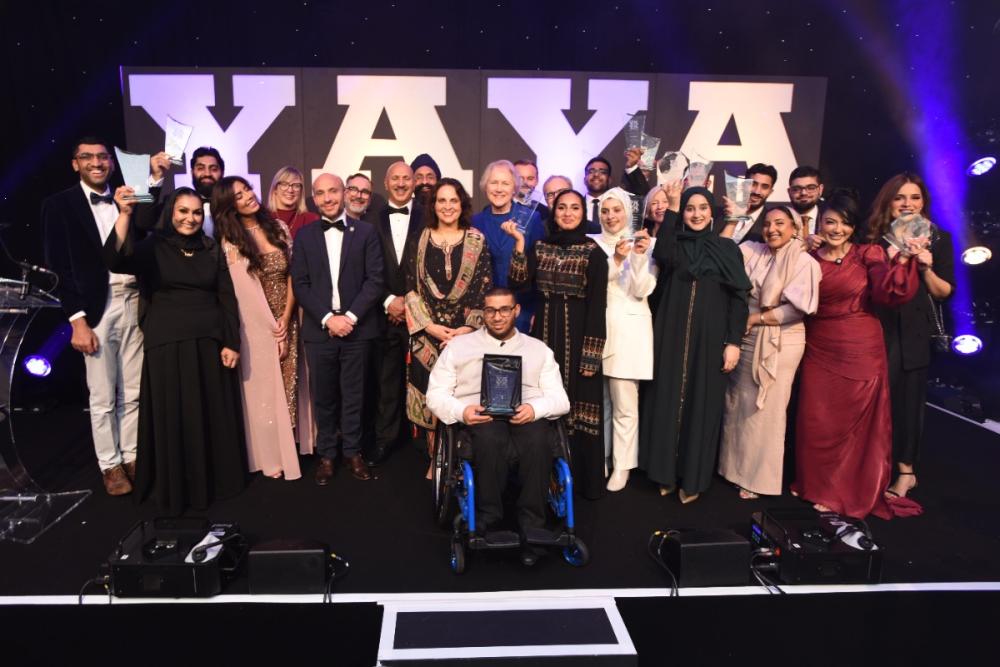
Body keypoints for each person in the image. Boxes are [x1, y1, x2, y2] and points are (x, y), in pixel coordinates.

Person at [103, 186, 246, 514]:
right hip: (166, 343)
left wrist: (231, 342)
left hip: (209, 343)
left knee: (210, 414)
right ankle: (179, 487)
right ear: (171, 213)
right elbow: (115, 259)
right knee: (175, 415)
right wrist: (125, 214)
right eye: (183, 211)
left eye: (196, 212)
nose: (190, 218)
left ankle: (213, 483)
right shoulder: (155, 246)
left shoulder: (211, 249)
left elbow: (226, 297)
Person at [42, 137, 170, 496]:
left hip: (135, 300)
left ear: (111, 164)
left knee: (134, 390)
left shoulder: (126, 194)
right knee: (101, 395)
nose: (96, 163)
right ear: (75, 163)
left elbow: (145, 224)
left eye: (102, 157)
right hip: (95, 309)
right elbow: (59, 269)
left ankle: (132, 456)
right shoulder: (59, 205)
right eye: (87, 157)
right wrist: (76, 319)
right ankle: (109, 465)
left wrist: (155, 180)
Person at [791, 190, 920, 519]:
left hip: (861, 347)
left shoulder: (869, 254)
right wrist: (797, 254)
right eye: (830, 222)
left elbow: (886, 292)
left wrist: (903, 260)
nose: (836, 229)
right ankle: (815, 484)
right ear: (820, 223)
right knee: (817, 420)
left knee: (853, 426)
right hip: (819, 345)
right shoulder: (809, 257)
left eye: (844, 223)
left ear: (853, 227)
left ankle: (841, 492)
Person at [426, 288, 570, 565]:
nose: (497, 316)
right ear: (483, 313)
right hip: (480, 418)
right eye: (490, 310)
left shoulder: (538, 349)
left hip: (526, 416)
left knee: (539, 440)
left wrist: (535, 409)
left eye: (504, 309)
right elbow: (436, 394)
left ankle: (533, 527)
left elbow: (560, 399)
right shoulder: (459, 347)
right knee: (490, 439)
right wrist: (462, 411)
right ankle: (487, 520)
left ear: (516, 311)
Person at [638, 187, 751, 503]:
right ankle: (664, 473)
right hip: (670, 337)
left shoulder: (727, 249)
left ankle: (692, 478)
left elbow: (739, 299)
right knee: (666, 401)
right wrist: (672, 207)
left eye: (703, 208)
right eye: (690, 208)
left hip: (710, 340)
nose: (697, 214)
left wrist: (733, 342)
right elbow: (663, 255)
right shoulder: (675, 247)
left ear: (712, 213)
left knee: (702, 406)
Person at [504, 189, 608, 499]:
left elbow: (597, 306)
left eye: (574, 208)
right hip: (544, 337)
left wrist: (590, 357)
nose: (567, 213)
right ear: (554, 211)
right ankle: (540, 480)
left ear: (583, 213)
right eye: (561, 207)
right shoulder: (539, 246)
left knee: (579, 406)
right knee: (542, 401)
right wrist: (520, 246)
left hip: (579, 337)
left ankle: (580, 486)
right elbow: (518, 283)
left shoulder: (594, 252)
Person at [718, 206, 821, 498]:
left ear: (793, 228)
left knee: (768, 409)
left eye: (780, 223)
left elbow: (797, 308)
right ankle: (732, 468)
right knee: (738, 404)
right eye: (767, 224)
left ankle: (758, 479)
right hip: (748, 337)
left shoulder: (804, 261)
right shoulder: (755, 251)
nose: (772, 229)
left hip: (781, 339)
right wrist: (735, 217)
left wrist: (755, 319)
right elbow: (725, 250)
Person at [291, 173, 385, 485]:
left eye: (333, 191)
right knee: (324, 396)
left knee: (355, 395)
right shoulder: (304, 236)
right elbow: (301, 286)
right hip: (320, 331)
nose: (328, 198)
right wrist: (328, 319)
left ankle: (353, 452)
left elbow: (375, 280)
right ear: (314, 198)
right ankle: (328, 454)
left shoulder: (367, 232)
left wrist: (350, 317)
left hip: (358, 330)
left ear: (344, 193)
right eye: (321, 193)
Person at [867, 173, 955, 500]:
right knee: (874, 402)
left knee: (908, 403)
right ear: (888, 204)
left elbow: (945, 292)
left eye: (914, 198)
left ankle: (906, 472)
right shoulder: (874, 240)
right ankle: (872, 468)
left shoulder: (938, 238)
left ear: (923, 203)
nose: (907, 204)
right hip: (875, 326)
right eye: (900, 198)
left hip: (913, 330)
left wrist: (925, 267)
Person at [214, 175, 309, 480]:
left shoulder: (277, 228)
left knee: (291, 384)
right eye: (238, 196)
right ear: (229, 206)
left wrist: (286, 316)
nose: (247, 197)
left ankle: (292, 444)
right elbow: (244, 292)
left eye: (247, 190)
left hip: (288, 317)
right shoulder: (231, 240)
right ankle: (270, 455)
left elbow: (294, 273)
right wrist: (271, 325)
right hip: (256, 323)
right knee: (265, 391)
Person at [404, 178, 492, 478]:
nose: (447, 206)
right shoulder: (419, 239)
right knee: (433, 396)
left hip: (465, 336)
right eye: (441, 201)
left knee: (462, 395)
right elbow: (410, 288)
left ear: (462, 203)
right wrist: (430, 326)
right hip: (428, 335)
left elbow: (484, 287)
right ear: (433, 205)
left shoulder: (476, 240)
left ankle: (460, 459)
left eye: (453, 200)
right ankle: (436, 459)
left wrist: (465, 330)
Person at [588, 188, 657, 492]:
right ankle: (599, 457)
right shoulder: (591, 244)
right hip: (596, 331)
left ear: (627, 212)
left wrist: (638, 258)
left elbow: (642, 289)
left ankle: (623, 465)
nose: (611, 216)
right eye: (605, 210)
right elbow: (592, 287)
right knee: (597, 400)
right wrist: (615, 260)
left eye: (617, 210)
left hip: (630, 334)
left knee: (625, 404)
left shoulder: (646, 244)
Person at [367, 162, 425, 466]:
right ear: (386, 183)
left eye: (407, 178)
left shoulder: (429, 216)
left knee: (423, 382)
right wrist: (389, 301)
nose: (402, 183)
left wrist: (409, 303)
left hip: (420, 315)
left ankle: (425, 444)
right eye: (396, 179)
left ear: (415, 182)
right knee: (386, 384)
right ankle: (384, 441)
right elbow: (365, 268)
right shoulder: (370, 219)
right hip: (383, 315)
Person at [472, 160, 545, 333]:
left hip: (522, 310)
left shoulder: (531, 219)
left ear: (514, 188)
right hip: (484, 312)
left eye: (505, 183)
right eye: (494, 182)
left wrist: (537, 311)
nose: (499, 189)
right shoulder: (474, 221)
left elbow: (540, 271)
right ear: (485, 186)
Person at [720, 163, 779, 244]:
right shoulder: (717, 214)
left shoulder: (770, 225)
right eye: (753, 184)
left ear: (770, 192)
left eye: (764, 187)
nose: (757, 191)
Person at [267, 165, 318, 239]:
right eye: (284, 184)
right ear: (275, 189)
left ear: (301, 191)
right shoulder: (264, 219)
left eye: (296, 186)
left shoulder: (311, 219)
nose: (290, 190)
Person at [189, 147, 225, 238]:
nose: (207, 174)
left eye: (214, 169)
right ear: (192, 172)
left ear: (222, 173)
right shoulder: (176, 203)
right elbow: (147, 221)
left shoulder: (233, 204)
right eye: (200, 168)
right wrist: (156, 177)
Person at [787, 165, 823, 240]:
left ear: (820, 189)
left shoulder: (831, 218)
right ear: (789, 192)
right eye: (796, 189)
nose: (804, 193)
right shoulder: (780, 219)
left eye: (810, 188)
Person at [582, 157, 611, 233]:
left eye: (602, 172)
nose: (596, 174)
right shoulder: (576, 207)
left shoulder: (620, 206)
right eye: (591, 171)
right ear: (585, 180)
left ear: (609, 180)